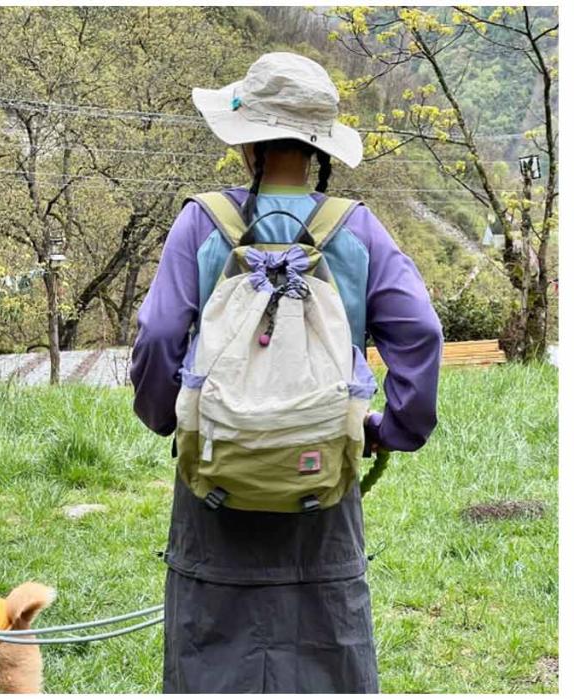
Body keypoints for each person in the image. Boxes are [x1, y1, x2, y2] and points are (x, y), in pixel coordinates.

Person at [130, 52, 443, 694]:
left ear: (247, 146)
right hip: (320, 487)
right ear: (319, 148)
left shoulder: (201, 222)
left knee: (209, 662)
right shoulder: (356, 229)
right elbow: (420, 333)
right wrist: (390, 430)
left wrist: (168, 417)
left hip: (215, 479)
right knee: (328, 658)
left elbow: (160, 334)